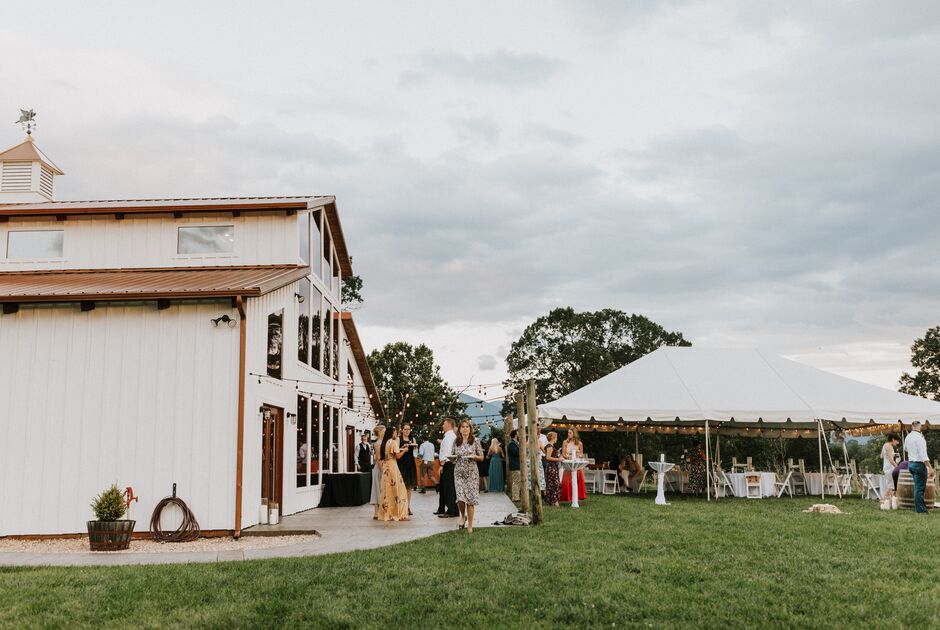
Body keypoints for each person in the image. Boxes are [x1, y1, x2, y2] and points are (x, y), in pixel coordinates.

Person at [454, 419, 485, 533]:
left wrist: (475, 457)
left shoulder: (475, 440)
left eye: (467, 427)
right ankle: (463, 516)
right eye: (463, 427)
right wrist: (451, 458)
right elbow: (453, 456)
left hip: (472, 474)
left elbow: (482, 457)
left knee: (470, 500)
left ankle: (470, 526)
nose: (465, 428)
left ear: (470, 429)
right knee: (460, 499)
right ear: (459, 429)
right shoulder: (456, 441)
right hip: (459, 473)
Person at [378, 426, 410, 521]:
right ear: (392, 433)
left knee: (388, 490)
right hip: (393, 467)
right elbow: (398, 456)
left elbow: (391, 453)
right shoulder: (393, 442)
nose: (396, 434)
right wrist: (404, 450)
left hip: (386, 467)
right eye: (395, 432)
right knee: (399, 490)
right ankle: (399, 513)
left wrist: (400, 448)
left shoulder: (385, 442)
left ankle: (388, 512)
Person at [903, 421, 933, 514]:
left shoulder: (908, 437)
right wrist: (930, 467)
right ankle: (920, 510)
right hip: (919, 465)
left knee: (917, 487)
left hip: (911, 464)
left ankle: (919, 508)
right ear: (920, 426)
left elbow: (905, 449)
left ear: (912, 426)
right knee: (920, 488)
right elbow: (923, 455)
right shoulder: (920, 438)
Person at [436, 418, 459, 518]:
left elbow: (449, 452)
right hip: (448, 464)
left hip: (448, 464)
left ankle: (451, 510)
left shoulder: (449, 437)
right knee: (448, 487)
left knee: (449, 488)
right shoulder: (449, 436)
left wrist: (442, 465)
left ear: (449, 425)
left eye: (444, 424)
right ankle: (452, 509)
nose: (442, 426)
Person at [560, 429, 587, 503]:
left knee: (578, 480)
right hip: (568, 464)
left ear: (574, 434)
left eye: (570, 433)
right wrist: (567, 456)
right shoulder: (565, 442)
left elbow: (582, 454)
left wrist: (579, 455)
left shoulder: (579, 443)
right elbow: (563, 454)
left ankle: (577, 497)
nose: (568, 434)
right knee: (567, 481)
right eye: (568, 432)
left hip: (577, 464)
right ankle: (567, 497)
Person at [397, 423, 418, 515]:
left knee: (409, 487)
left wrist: (415, 448)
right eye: (405, 429)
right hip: (401, 464)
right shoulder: (398, 439)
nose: (407, 431)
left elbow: (415, 453)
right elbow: (396, 451)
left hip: (410, 464)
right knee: (401, 486)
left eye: (409, 429)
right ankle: (400, 506)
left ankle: (407, 507)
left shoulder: (413, 439)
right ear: (402, 430)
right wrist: (402, 448)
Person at [370, 425, 386, 520]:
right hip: (379, 468)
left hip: (384, 466)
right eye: (384, 431)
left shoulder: (383, 442)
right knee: (377, 488)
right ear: (380, 432)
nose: (385, 432)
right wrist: (382, 470)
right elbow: (378, 459)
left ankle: (381, 511)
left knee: (382, 489)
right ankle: (376, 512)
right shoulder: (378, 443)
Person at [543, 432, 562, 506]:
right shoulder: (549, 446)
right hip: (551, 467)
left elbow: (551, 455)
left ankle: (552, 501)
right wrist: (559, 459)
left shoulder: (550, 446)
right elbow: (548, 457)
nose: (557, 439)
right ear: (553, 438)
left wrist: (557, 453)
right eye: (556, 437)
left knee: (553, 483)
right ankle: (554, 501)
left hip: (553, 467)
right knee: (555, 484)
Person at [880, 433, 900, 504]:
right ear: (893, 439)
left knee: (891, 485)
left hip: (885, 466)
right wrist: (897, 467)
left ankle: (889, 502)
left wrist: (892, 454)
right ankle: (883, 501)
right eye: (897, 441)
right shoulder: (889, 447)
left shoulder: (885, 445)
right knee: (891, 486)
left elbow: (881, 456)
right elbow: (891, 460)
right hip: (890, 467)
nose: (898, 443)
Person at [508, 430, 521, 501]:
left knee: (518, 481)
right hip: (515, 465)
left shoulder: (516, 443)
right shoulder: (512, 444)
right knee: (516, 481)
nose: (519, 434)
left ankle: (517, 496)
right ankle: (515, 497)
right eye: (518, 433)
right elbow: (517, 453)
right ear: (515, 435)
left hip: (517, 465)